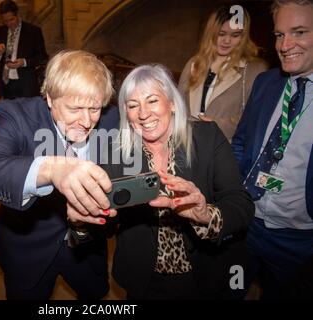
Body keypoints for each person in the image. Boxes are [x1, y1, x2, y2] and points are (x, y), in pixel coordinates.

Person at [0, 50, 119, 299]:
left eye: (94, 108)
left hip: (88, 250)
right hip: (28, 251)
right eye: (75, 108)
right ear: (49, 97)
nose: (86, 121)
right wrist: (51, 169)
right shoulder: (16, 115)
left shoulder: (110, 117)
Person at [100, 64, 254, 299]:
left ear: (172, 103)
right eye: (133, 105)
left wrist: (206, 215)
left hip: (206, 273)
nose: (143, 113)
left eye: (152, 100)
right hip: (145, 277)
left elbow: (241, 204)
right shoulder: (115, 153)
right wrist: (84, 218)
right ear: (126, 114)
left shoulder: (206, 136)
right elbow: (106, 221)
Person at [231, 0, 313, 299]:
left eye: (299, 32)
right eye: (279, 35)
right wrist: (235, 195)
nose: (285, 44)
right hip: (246, 226)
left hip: (299, 243)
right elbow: (240, 143)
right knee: (229, 289)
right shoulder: (267, 82)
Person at [178, 5, 267, 141]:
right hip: (189, 145)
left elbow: (254, 116)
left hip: (224, 149)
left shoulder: (254, 69)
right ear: (211, 33)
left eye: (235, 35)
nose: (227, 41)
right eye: (221, 34)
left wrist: (215, 126)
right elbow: (178, 104)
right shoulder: (194, 63)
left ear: (243, 37)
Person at [0, 0, 48, 99]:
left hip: (26, 85)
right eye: (5, 21)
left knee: (26, 113)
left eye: (11, 19)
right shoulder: (0, 31)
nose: (8, 24)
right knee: (11, 113)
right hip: (6, 84)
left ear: (17, 15)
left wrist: (24, 62)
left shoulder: (33, 31)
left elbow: (42, 57)